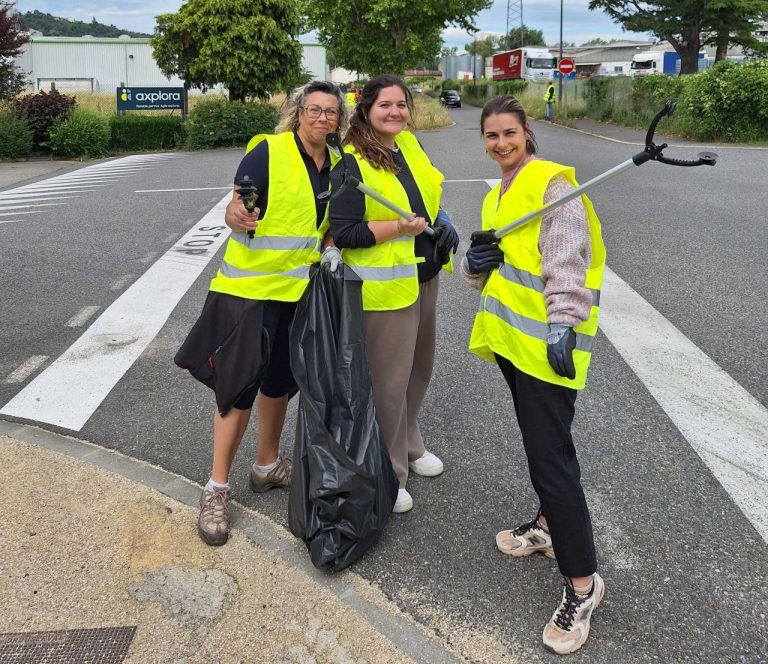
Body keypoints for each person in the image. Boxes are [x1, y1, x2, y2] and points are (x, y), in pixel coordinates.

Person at [462, 95, 606, 655]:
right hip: (512, 345)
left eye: (509, 133)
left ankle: (584, 584)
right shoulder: (498, 193)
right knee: (540, 447)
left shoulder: (550, 184)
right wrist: (475, 267)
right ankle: (546, 528)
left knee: (552, 463)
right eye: (491, 135)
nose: (500, 143)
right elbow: (498, 264)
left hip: (548, 347)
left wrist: (564, 323)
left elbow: (568, 255)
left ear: (527, 134)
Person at [177, 80, 347, 547]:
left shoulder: (334, 166)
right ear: (298, 112)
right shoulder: (267, 151)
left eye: (331, 113)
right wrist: (235, 214)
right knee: (238, 390)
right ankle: (215, 489)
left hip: (298, 295)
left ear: (339, 122)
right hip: (249, 293)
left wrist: (330, 247)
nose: (322, 119)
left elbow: (325, 224)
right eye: (314, 109)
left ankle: (266, 466)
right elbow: (237, 203)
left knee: (281, 383)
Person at [328, 74, 459, 514]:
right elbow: (344, 232)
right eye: (385, 105)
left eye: (401, 104)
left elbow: (427, 194)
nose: (395, 112)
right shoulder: (351, 161)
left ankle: (410, 444)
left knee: (420, 369)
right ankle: (389, 471)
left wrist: (444, 217)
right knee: (389, 383)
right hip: (385, 289)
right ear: (365, 109)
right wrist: (397, 230)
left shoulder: (409, 146)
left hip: (426, 273)